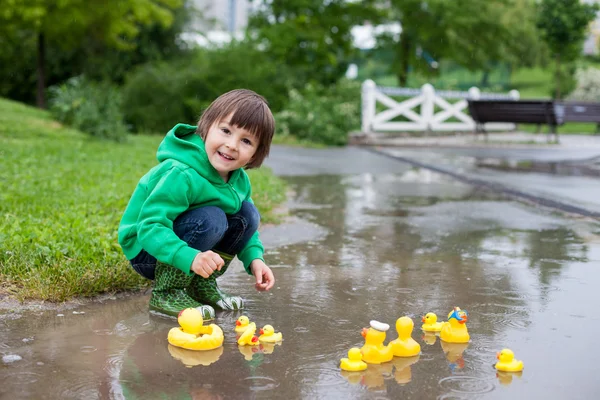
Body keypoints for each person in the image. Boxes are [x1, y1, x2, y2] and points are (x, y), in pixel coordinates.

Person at [118, 89, 276, 319]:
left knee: (247, 213)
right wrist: (189, 257)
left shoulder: (238, 180)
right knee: (212, 218)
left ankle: (201, 284)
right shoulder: (181, 173)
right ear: (206, 127)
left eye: (246, 141)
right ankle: (167, 292)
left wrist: (255, 259)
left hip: (187, 246)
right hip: (147, 250)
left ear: (254, 155)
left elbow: (246, 229)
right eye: (225, 131)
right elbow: (149, 227)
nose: (232, 145)